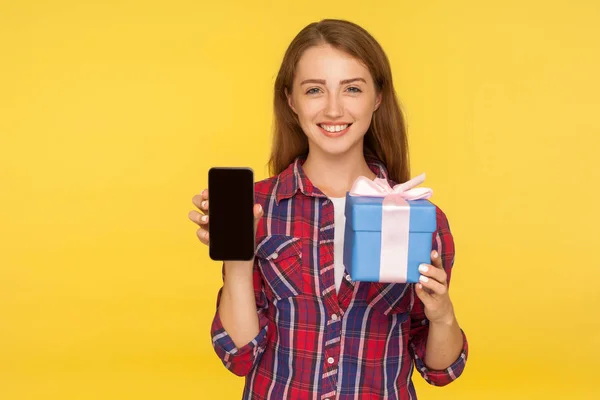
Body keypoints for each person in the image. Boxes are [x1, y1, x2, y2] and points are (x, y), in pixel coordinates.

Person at [189, 18, 468, 400]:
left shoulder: (420, 218)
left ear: (378, 97)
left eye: (352, 88)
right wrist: (238, 260)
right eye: (315, 90)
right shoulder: (259, 208)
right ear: (291, 100)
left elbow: (440, 370)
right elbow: (238, 355)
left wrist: (442, 315)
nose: (334, 109)